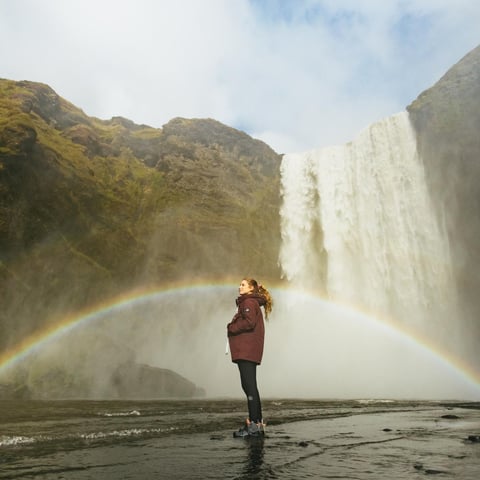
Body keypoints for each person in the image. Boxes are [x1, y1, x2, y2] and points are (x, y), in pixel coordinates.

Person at [227, 277, 273, 437]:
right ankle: (257, 423)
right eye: (239, 284)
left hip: (246, 351)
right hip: (248, 351)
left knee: (249, 387)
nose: (239, 287)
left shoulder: (248, 303)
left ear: (251, 289)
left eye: (243, 285)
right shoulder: (250, 302)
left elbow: (249, 323)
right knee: (250, 386)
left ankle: (254, 425)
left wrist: (231, 327)